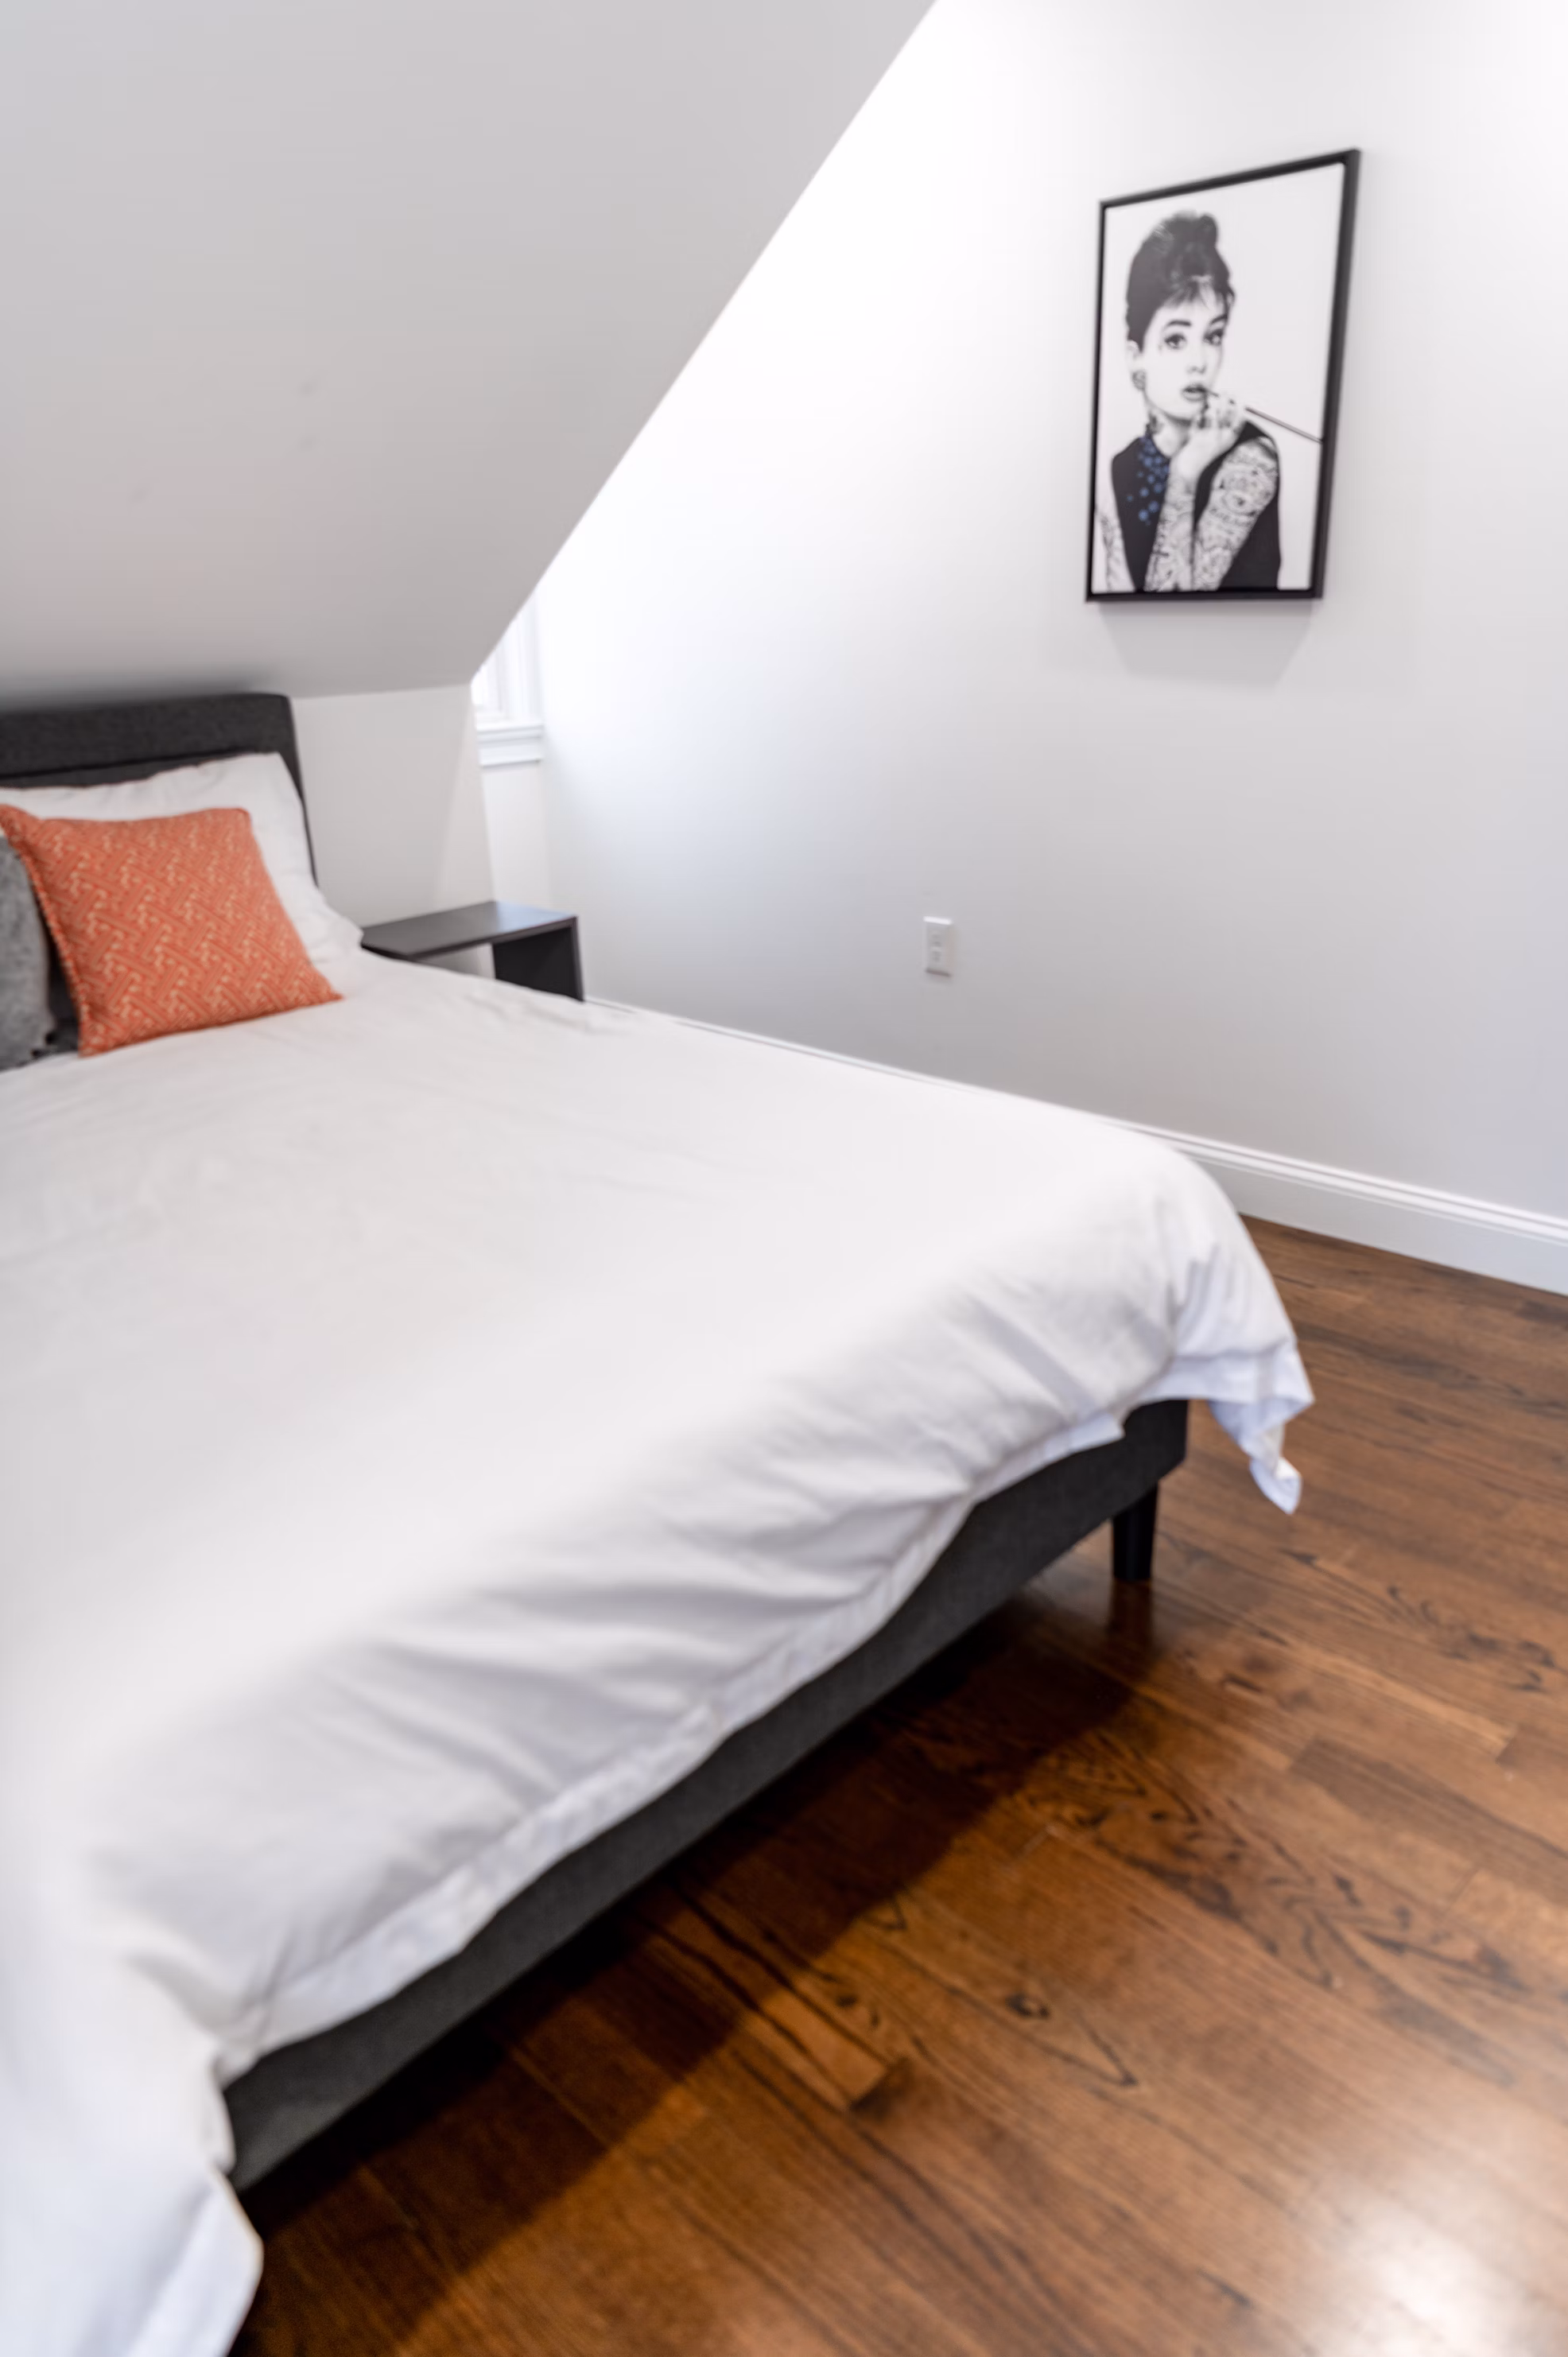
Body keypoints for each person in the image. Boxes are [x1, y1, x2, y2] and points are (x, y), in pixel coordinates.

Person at [1097, 211, 1279, 592]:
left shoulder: (1252, 457)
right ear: (1136, 358)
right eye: (1176, 340)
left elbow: (1183, 599)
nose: (1200, 362)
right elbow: (1128, 608)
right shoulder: (1122, 467)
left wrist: (1185, 474)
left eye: (1213, 336)